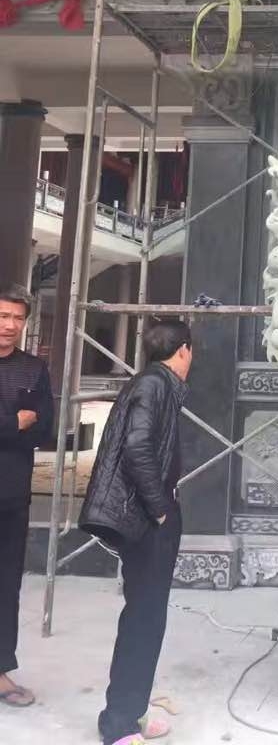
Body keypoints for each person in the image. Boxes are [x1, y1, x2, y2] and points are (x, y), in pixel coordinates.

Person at [80, 319, 192, 745]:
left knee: (149, 616)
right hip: (148, 519)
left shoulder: (155, 384)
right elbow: (136, 448)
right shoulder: (154, 385)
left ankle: (134, 709)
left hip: (152, 514)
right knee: (143, 618)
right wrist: (160, 509)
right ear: (184, 350)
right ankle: (118, 723)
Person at [0, 283, 54, 709]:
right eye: (3, 316)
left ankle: (0, 671)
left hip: (11, 494)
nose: (10, 325)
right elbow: (20, 426)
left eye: (18, 318)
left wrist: (23, 426)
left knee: (5, 586)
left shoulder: (34, 369)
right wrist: (11, 423)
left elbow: (44, 428)